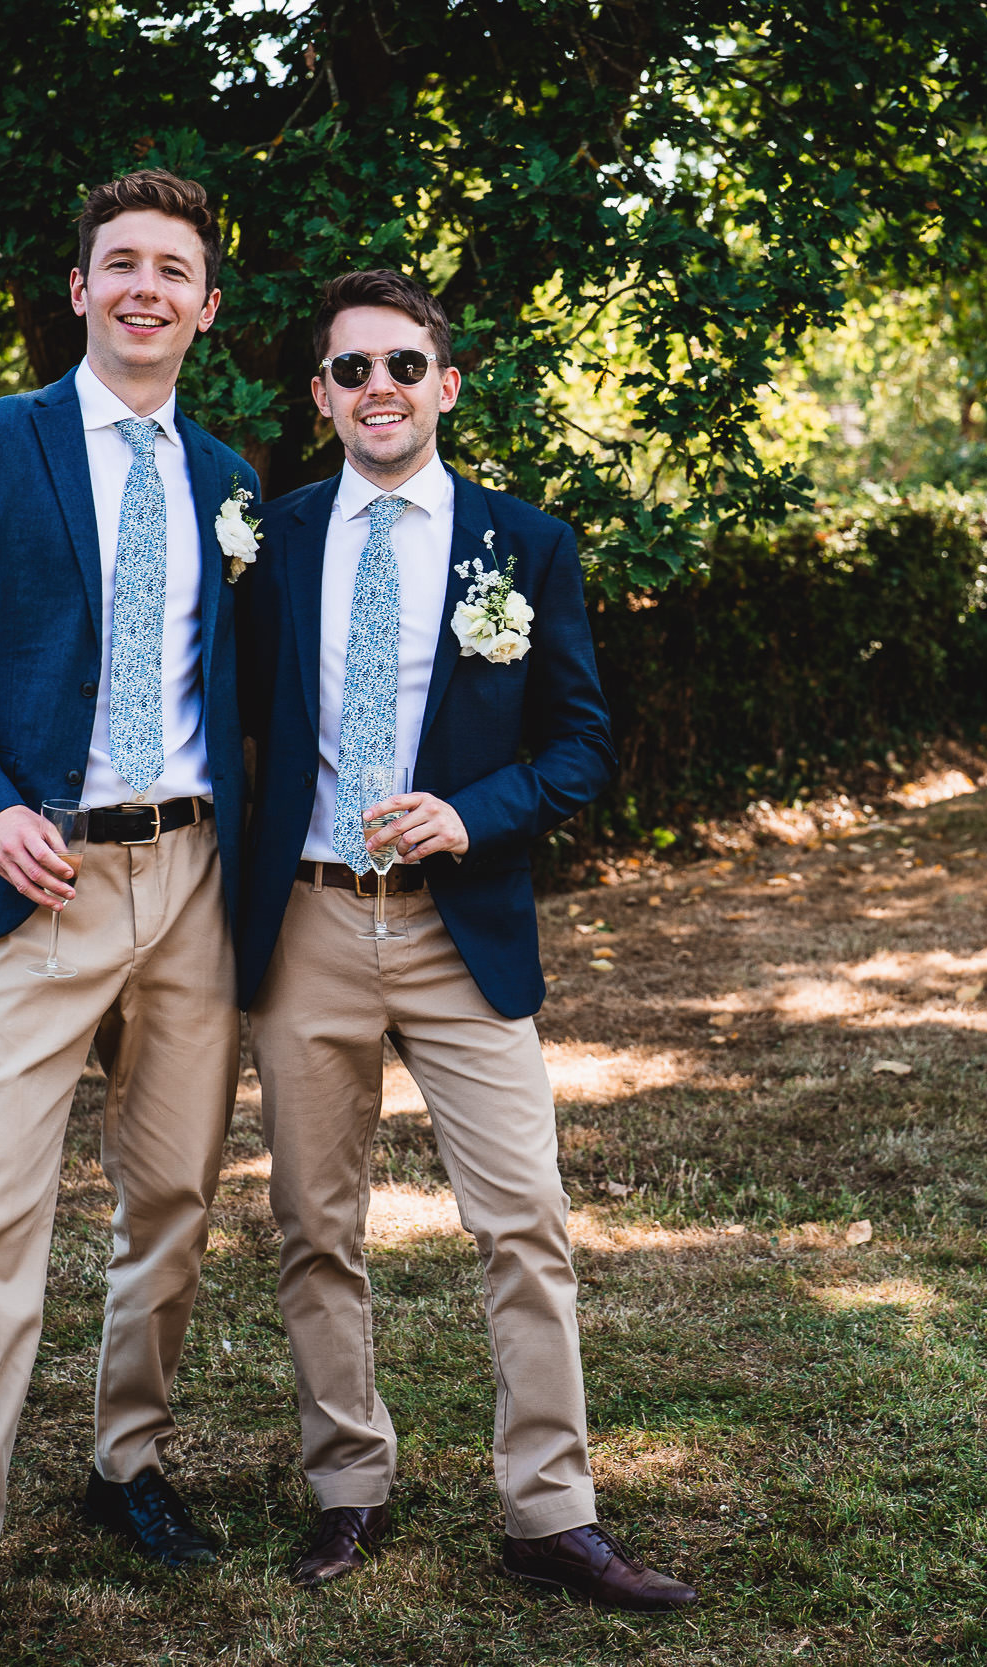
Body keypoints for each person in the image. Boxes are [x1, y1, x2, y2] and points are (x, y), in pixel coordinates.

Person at [0, 170, 260, 1651]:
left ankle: (127, 1460)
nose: (147, 286)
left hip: (192, 878)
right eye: (120, 264)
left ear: (207, 306)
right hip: (36, 877)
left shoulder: (231, 479)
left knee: (175, 1199)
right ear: (80, 290)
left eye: (174, 269)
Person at [234, 270, 694, 1611]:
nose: (378, 386)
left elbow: (583, 743)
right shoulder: (275, 538)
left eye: (402, 363)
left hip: (461, 929)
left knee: (527, 1219)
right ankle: (345, 1485)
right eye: (350, 368)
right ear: (321, 398)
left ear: (446, 383)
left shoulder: (524, 544)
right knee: (314, 1222)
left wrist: (473, 810)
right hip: (308, 919)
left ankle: (548, 1509)